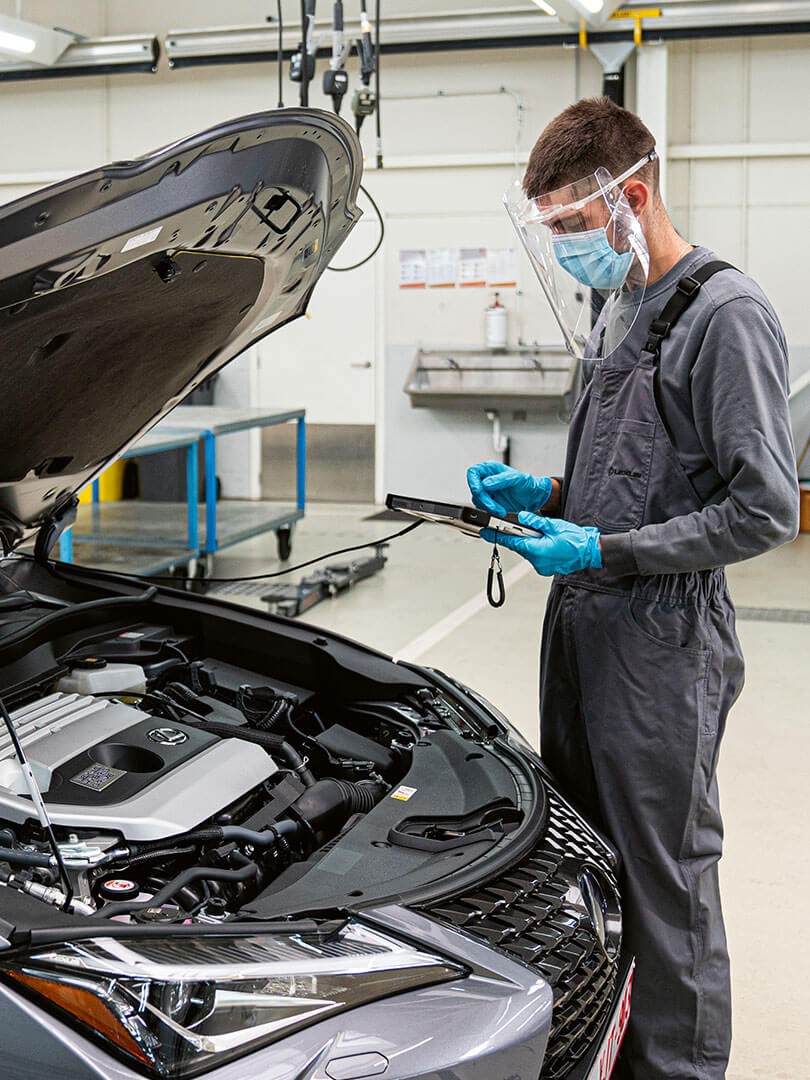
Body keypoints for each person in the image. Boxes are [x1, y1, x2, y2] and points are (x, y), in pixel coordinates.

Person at [467, 97, 798, 1080]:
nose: (567, 249)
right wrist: (551, 494)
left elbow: (765, 509)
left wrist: (607, 550)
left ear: (632, 196)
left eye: (572, 226)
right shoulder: (618, 307)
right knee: (586, 865)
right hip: (586, 627)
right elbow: (632, 476)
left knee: (666, 887)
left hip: (662, 647)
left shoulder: (725, 317)